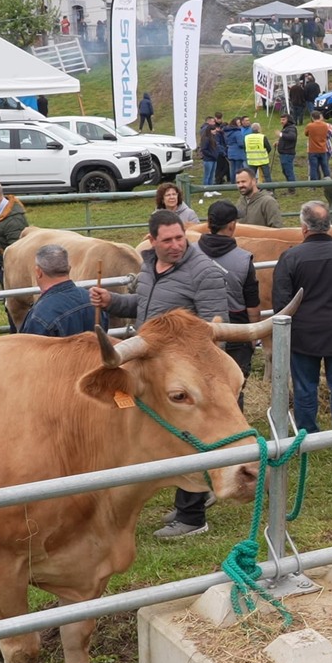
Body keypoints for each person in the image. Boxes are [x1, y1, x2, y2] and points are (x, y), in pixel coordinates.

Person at [90, 210, 236, 540]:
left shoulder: (204, 273)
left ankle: (192, 516)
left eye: (180, 237)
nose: (175, 245)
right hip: (156, 369)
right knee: (166, 433)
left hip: (188, 375)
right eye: (167, 239)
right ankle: (193, 497)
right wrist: (112, 300)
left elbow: (215, 329)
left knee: (189, 435)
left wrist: (204, 382)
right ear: (152, 241)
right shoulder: (150, 267)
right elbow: (144, 305)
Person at [271, 202, 332, 437]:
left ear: (304, 228)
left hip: (304, 335)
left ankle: (308, 436)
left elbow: (281, 304)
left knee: (305, 386)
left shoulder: (290, 257)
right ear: (327, 227)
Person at [198, 199, 260, 381]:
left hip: (198, 330)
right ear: (232, 225)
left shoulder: (190, 253)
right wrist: (253, 335)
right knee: (234, 386)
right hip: (235, 331)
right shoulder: (243, 259)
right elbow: (252, 304)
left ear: (209, 224)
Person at [19, 243, 100, 337]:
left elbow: (31, 349)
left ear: (38, 272)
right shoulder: (95, 301)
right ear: (69, 269)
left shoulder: (40, 315)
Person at [276, 115, 300, 184]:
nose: (281, 122)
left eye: (283, 120)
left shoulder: (291, 128)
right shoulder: (287, 128)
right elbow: (286, 139)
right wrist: (279, 142)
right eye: (281, 120)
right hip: (284, 153)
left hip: (287, 153)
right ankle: (290, 185)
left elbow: (292, 137)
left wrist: (281, 134)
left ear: (288, 120)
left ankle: (292, 188)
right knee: (285, 171)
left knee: (288, 171)